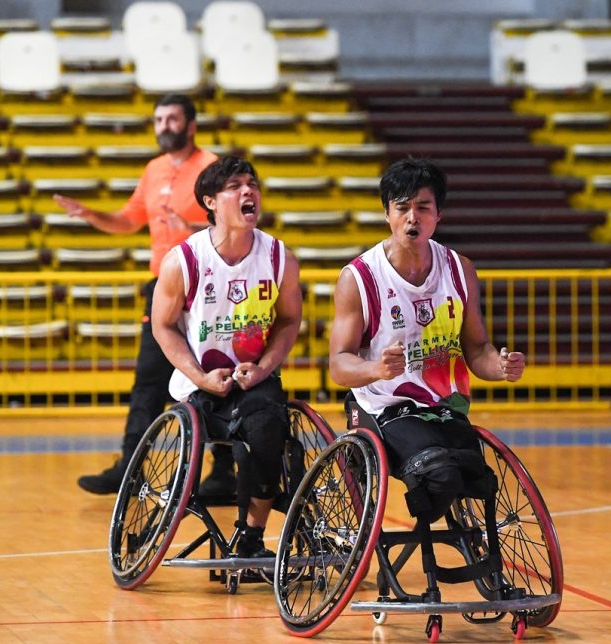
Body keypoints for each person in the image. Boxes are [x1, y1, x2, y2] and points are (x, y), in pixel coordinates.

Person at [53, 94, 235, 497]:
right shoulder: (153, 170)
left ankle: (225, 472)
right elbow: (128, 220)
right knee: (148, 380)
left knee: (217, 371)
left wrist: (186, 225)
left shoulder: (214, 168)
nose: (164, 125)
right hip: (164, 286)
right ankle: (129, 469)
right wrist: (90, 214)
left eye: (172, 119)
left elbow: (232, 227)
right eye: (158, 119)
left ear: (191, 125)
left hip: (208, 284)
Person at [328, 157, 525, 527]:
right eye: (402, 208)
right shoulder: (358, 278)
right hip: (385, 406)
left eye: (423, 207)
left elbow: (477, 349)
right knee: (440, 477)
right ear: (387, 214)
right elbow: (339, 363)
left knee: (479, 480)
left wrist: (499, 367)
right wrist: (376, 367)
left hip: (443, 406)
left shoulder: (459, 269)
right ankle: (420, 552)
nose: (412, 217)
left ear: (439, 215)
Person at [152, 155, 302, 559]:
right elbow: (162, 326)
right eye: (235, 186)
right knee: (239, 432)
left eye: (252, 184)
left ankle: (252, 536)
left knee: (267, 431)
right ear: (211, 201)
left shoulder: (278, 257)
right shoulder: (183, 260)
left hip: (255, 380)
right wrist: (199, 377)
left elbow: (289, 320)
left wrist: (265, 367)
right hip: (201, 387)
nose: (248, 191)